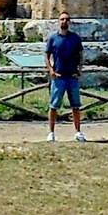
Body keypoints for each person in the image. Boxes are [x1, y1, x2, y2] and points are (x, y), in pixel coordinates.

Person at [44, 13, 85, 142]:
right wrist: (51, 70)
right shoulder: (53, 39)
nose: (64, 21)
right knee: (54, 106)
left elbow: (80, 55)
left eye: (67, 19)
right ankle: (51, 132)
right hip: (59, 76)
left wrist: (79, 70)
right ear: (58, 22)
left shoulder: (75, 38)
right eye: (62, 19)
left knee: (75, 106)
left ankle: (78, 132)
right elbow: (47, 54)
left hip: (72, 76)